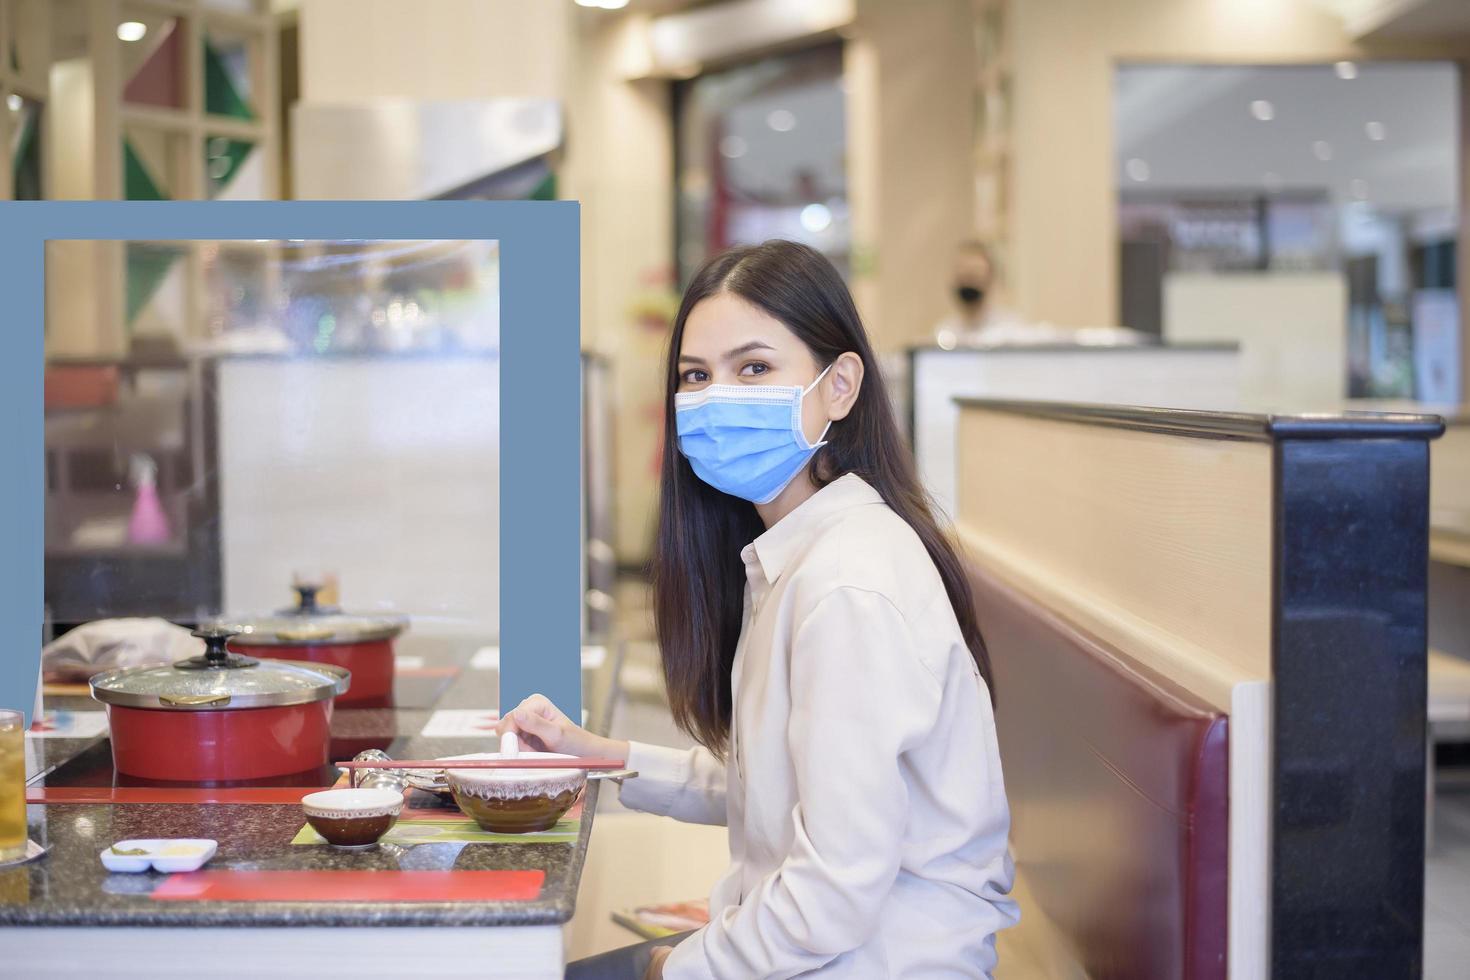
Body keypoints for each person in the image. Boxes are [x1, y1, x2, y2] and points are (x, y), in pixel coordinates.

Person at [501, 240, 1018, 979]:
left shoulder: (847, 586)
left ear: (840, 386)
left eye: (754, 368)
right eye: (695, 376)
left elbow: (836, 890)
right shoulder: (796, 552)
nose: (719, 399)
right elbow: (783, 782)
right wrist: (603, 757)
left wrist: (679, 969)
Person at [932, 240, 1053, 349]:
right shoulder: (943, 333)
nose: (968, 282)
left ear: (990, 279)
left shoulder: (1013, 331)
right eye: (963, 274)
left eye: (974, 275)